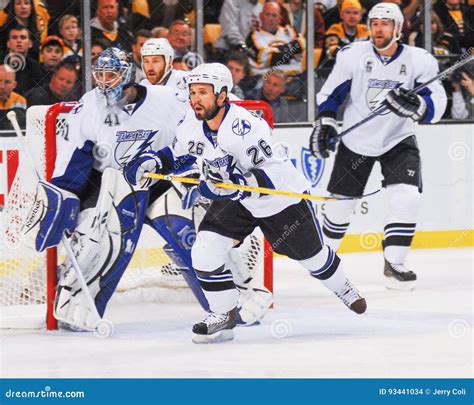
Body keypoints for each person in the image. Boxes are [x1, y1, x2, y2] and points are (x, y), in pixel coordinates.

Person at [124, 63, 367, 344]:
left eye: (203, 92)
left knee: (314, 259)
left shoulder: (245, 126)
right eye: (192, 92)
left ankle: (344, 288)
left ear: (223, 95)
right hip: (235, 197)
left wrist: (224, 186)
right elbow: (180, 154)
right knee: (204, 250)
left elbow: (267, 173)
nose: (195, 99)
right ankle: (223, 315)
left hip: (278, 199)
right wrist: (151, 161)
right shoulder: (191, 122)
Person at [29, 47, 190, 330]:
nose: (104, 81)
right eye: (99, 74)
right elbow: (76, 155)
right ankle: (76, 301)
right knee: (99, 236)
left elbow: (201, 121)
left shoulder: (166, 99)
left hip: (161, 180)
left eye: (111, 74)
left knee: (192, 234)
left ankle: (229, 299)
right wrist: (66, 196)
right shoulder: (89, 105)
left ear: (127, 74)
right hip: (110, 182)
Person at [309, 3, 447, 290]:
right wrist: (325, 122)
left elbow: (437, 103)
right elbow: (330, 94)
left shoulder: (419, 60)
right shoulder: (353, 55)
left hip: (398, 139)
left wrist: (418, 105)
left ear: (398, 28)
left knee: (407, 198)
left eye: (385, 23)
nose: (378, 29)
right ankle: (322, 259)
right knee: (339, 210)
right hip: (356, 141)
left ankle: (395, 264)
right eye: (374, 23)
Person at [3, 24, 43, 96]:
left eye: (23, 37)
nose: (19, 41)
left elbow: (39, 93)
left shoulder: (36, 67)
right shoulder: (1, 65)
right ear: (8, 43)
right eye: (14, 37)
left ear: (30, 43)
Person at [0, 63, 26, 129]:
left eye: (7, 82)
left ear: (14, 85)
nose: (2, 86)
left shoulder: (20, 100)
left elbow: (19, 126)